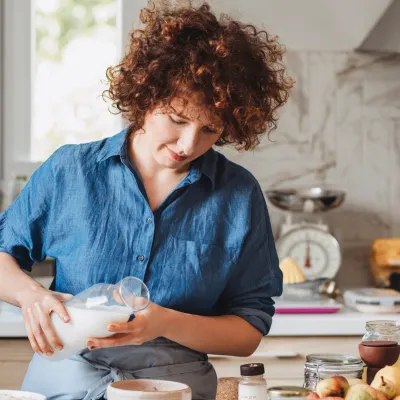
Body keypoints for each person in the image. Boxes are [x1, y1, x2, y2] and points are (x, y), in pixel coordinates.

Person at [0, 2, 292, 399]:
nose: (189, 144)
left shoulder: (238, 195)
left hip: (174, 386)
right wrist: (31, 295)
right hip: (67, 376)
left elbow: (248, 330)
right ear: (146, 95)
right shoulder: (70, 170)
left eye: (209, 129)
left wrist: (162, 323)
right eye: (177, 118)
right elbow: (3, 253)